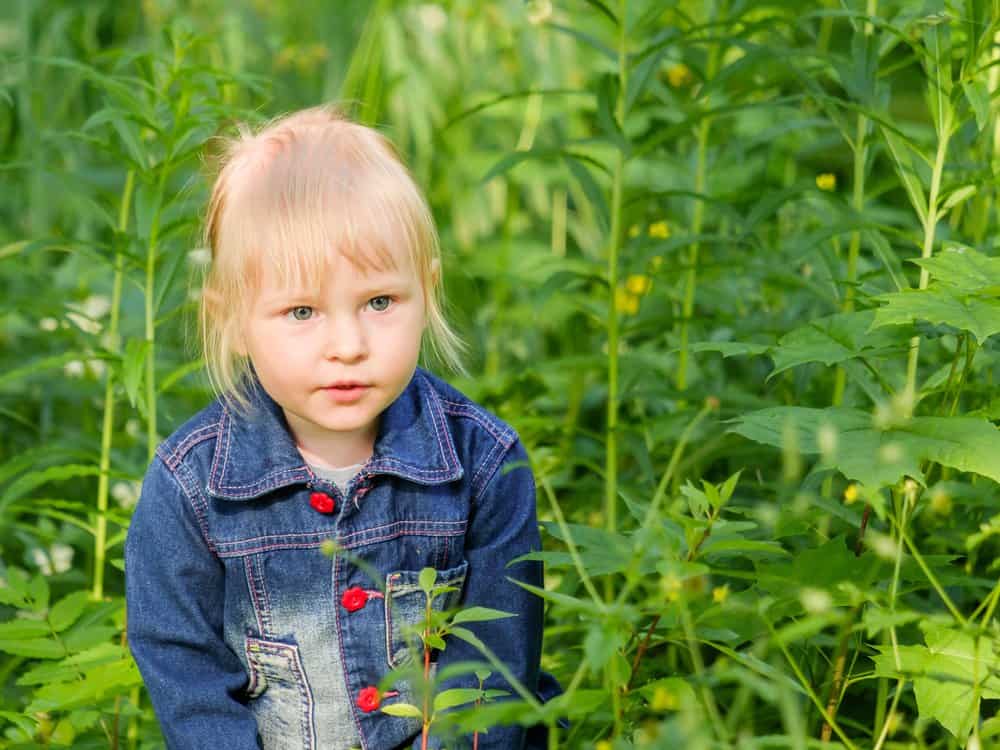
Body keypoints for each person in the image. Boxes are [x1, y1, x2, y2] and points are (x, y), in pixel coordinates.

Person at [125, 105, 559, 749]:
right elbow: (186, 674)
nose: (348, 345)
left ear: (427, 289)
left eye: (379, 302)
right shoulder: (192, 487)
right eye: (302, 311)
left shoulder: (484, 464)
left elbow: (493, 676)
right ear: (234, 318)